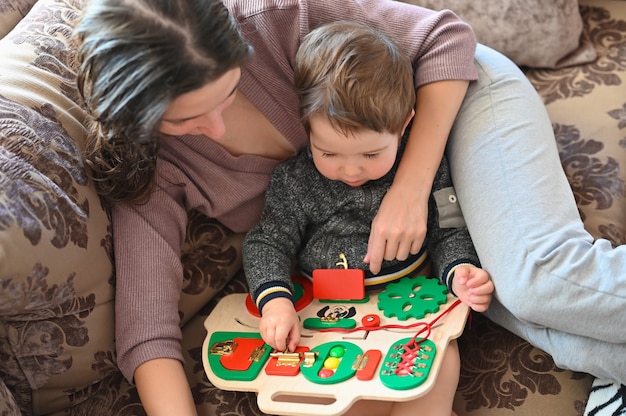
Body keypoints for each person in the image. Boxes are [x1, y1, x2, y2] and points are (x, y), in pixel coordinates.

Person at [73, 0, 625, 414]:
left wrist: (410, 186)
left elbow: (447, 41)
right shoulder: (150, 168)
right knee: (501, 304)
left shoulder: (278, 16)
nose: (214, 130)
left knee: (535, 280)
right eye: (184, 121)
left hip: (457, 95)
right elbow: (147, 329)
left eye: (227, 92)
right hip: (416, 245)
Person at [243, 21, 494, 416]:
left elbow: (450, 227)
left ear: (404, 125)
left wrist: (461, 270)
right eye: (328, 153)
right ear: (306, 128)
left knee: (440, 369)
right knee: (339, 401)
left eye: (371, 155)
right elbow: (267, 241)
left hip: (411, 310)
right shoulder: (295, 181)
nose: (350, 171)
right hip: (325, 321)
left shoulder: (428, 168)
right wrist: (275, 302)